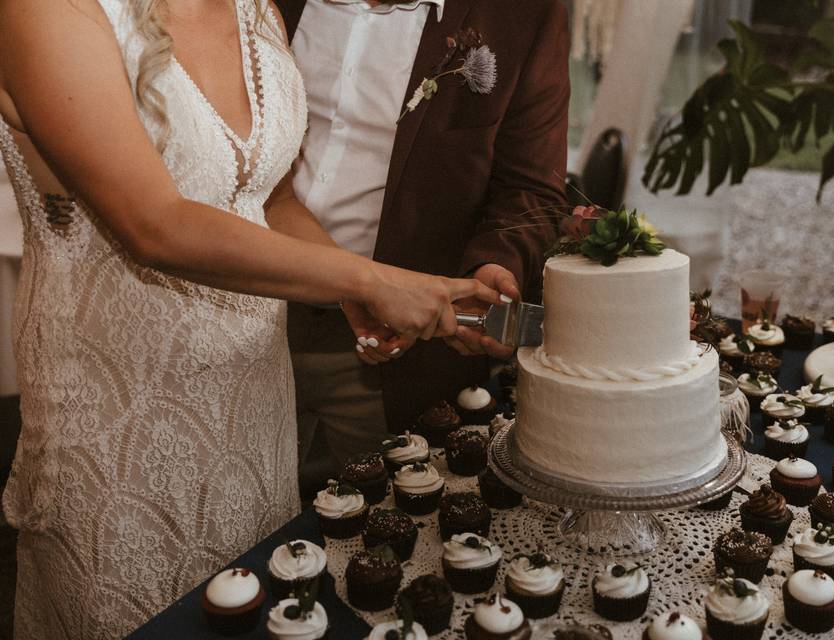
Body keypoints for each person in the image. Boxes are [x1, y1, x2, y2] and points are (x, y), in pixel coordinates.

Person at [0, 0, 497, 637]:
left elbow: (270, 196)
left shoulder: (253, 7)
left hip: (251, 407)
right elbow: (154, 226)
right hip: (118, 416)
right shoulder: (50, 11)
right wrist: (371, 277)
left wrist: (355, 297)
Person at [277, 0, 570, 490]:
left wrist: (492, 264)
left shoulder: (523, 13)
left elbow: (531, 188)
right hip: (228, 314)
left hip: (398, 350)